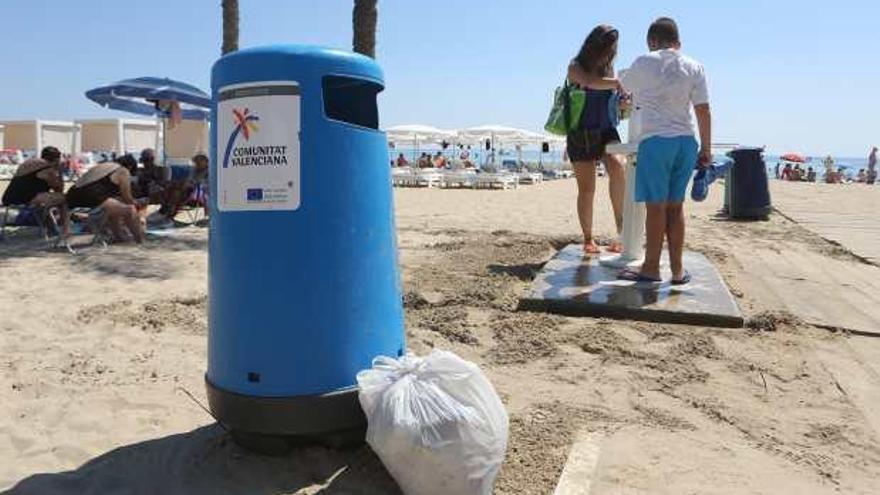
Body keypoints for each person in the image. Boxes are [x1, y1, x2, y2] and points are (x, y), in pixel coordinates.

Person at [616, 17, 711, 284]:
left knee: (656, 208)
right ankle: (678, 271)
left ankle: (651, 268)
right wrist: (706, 147)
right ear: (678, 43)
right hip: (686, 142)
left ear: (652, 42)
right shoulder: (695, 66)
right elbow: (703, 110)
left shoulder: (645, 61)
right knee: (676, 207)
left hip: (656, 141)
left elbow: (623, 90)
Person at [565, 24, 627, 254]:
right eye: (609, 48)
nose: (612, 53)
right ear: (595, 46)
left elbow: (614, 104)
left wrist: (622, 103)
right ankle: (588, 239)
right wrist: (617, 83)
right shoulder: (575, 66)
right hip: (580, 133)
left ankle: (622, 233)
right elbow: (589, 83)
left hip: (606, 130)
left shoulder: (611, 69)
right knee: (587, 189)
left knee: (618, 166)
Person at [66, 162, 145, 243]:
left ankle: (119, 238)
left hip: (73, 196)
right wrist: (137, 204)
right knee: (130, 210)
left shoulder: (106, 167)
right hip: (91, 195)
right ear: (130, 167)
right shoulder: (123, 171)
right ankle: (139, 241)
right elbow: (127, 198)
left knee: (115, 209)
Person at [1, 146, 70, 238]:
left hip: (8, 197)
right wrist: (60, 171)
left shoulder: (29, 162)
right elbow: (59, 189)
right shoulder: (48, 169)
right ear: (57, 159)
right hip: (25, 199)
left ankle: (51, 227)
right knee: (63, 199)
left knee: (43, 201)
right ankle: (65, 231)